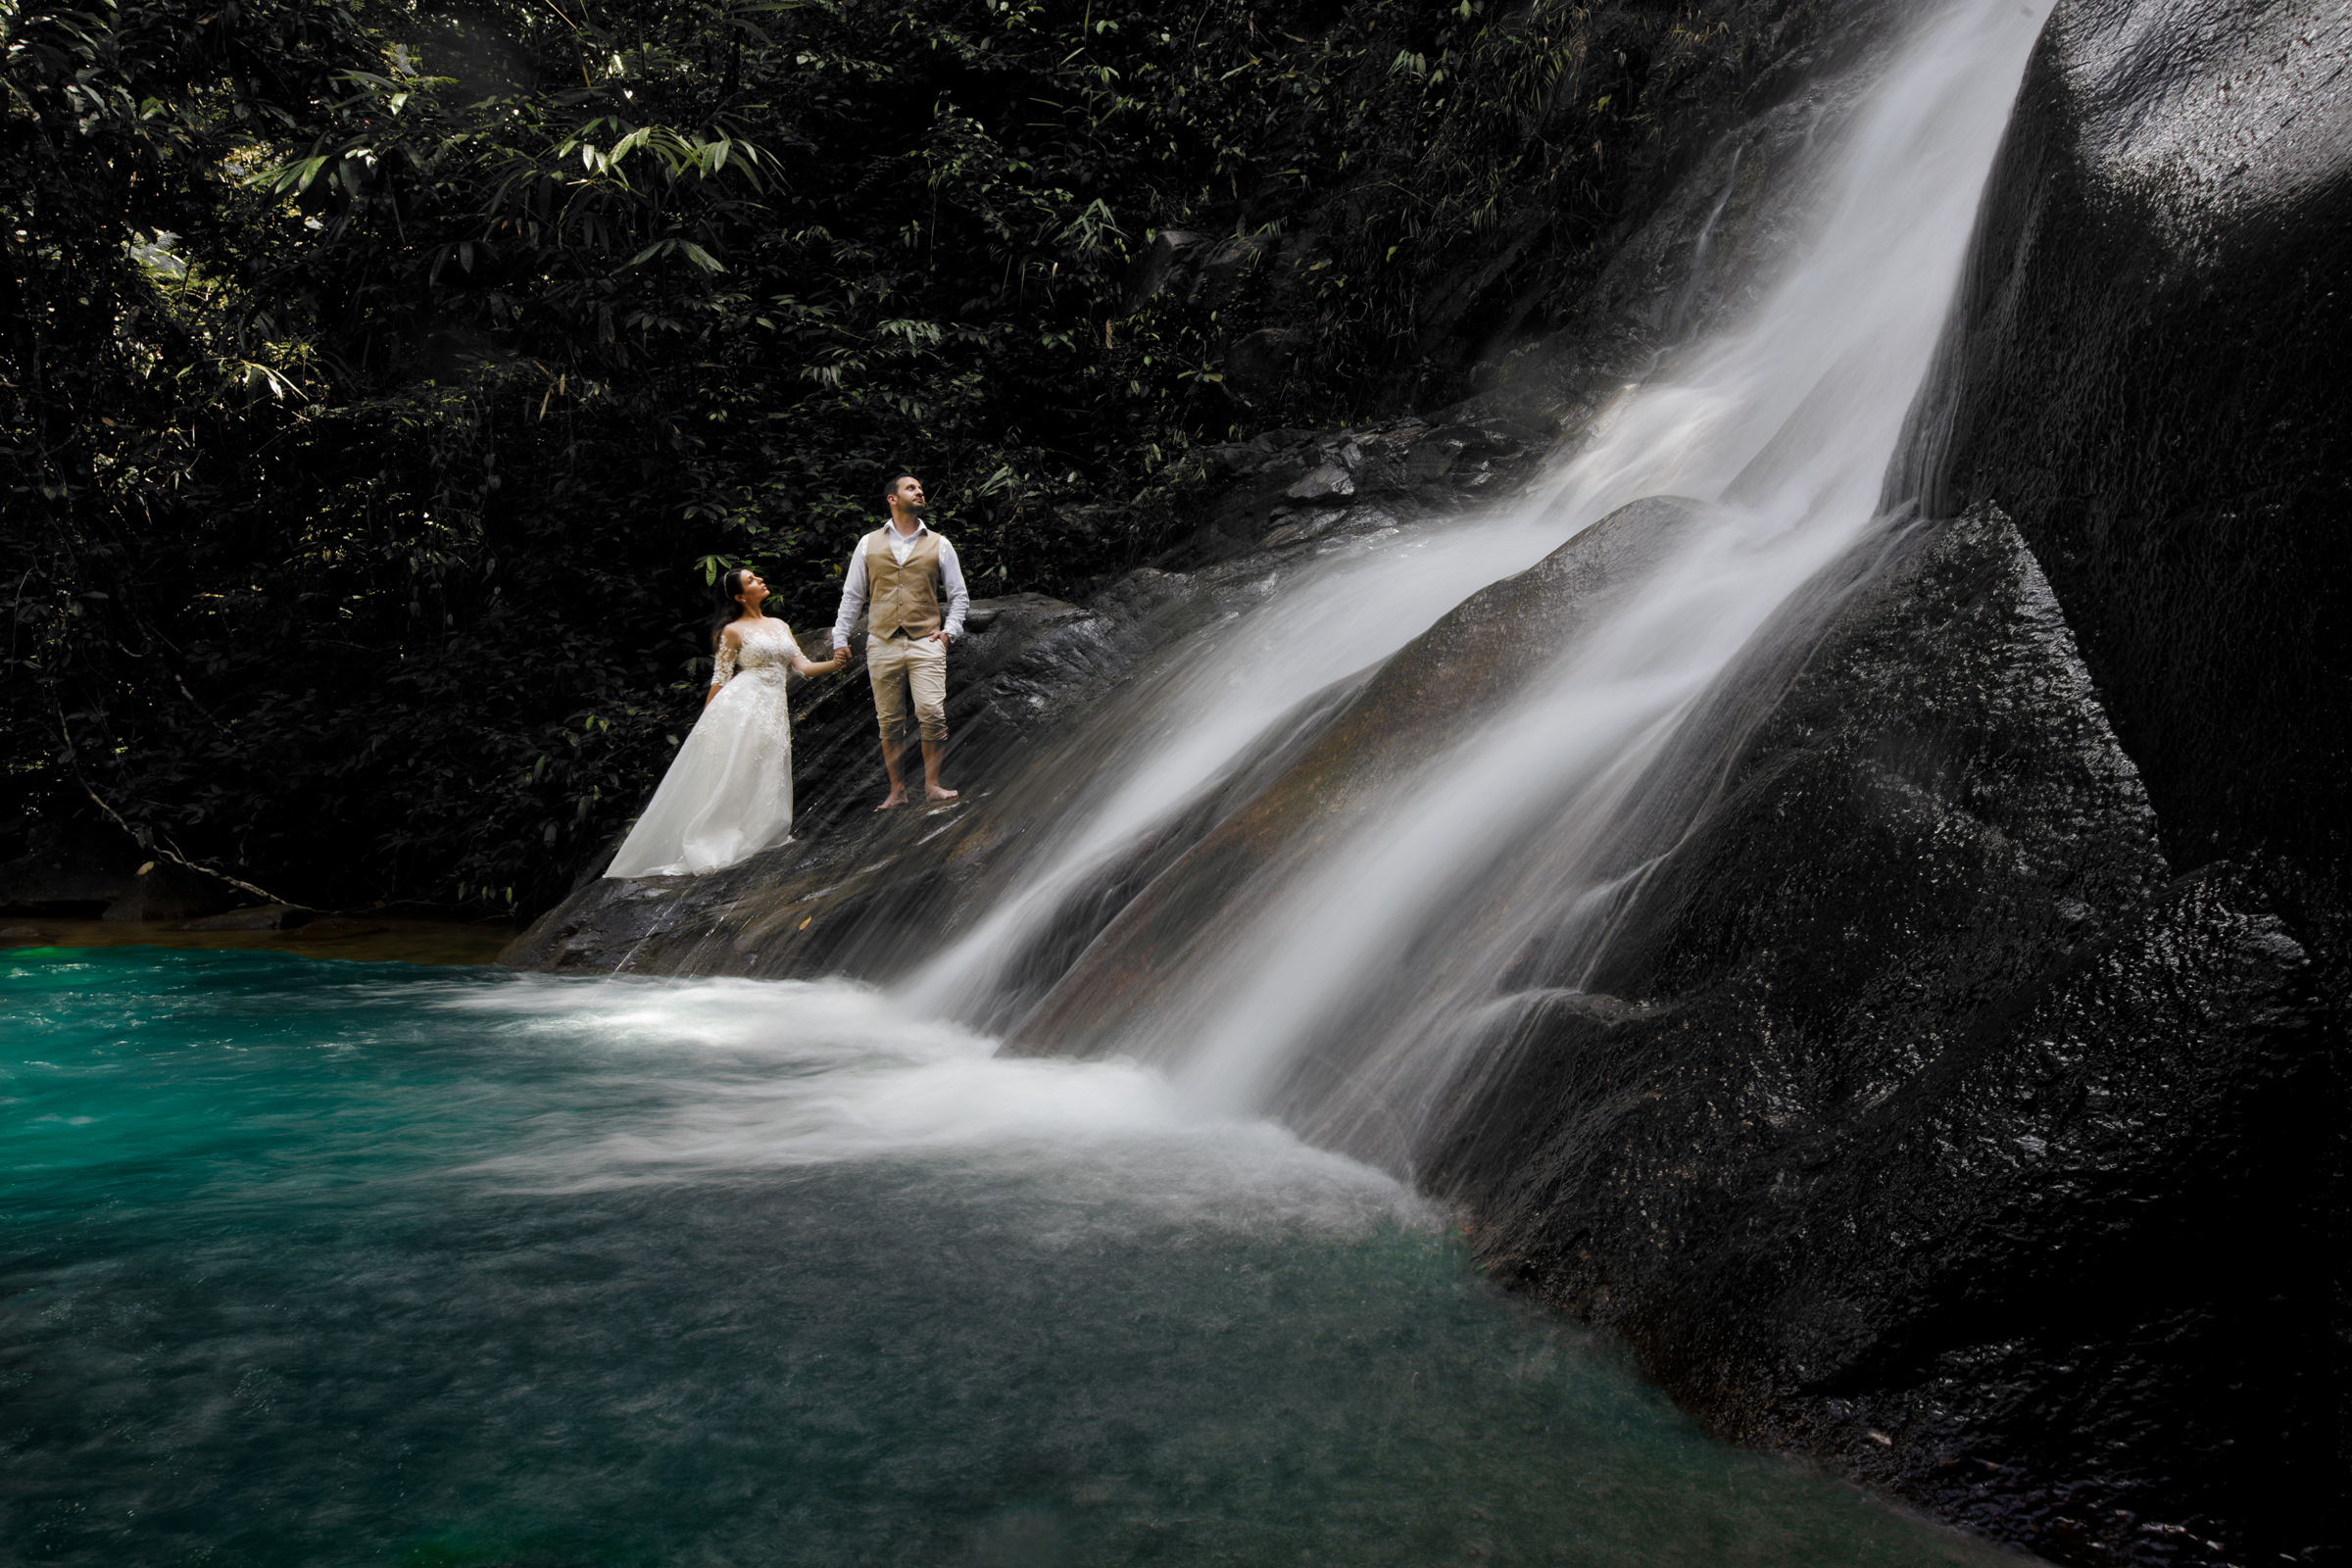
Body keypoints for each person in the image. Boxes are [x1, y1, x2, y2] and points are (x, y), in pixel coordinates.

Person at [605, 568, 846, 878]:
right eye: (750, 580)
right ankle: (719, 837)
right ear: (739, 596)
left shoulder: (780, 625)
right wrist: (707, 723)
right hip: (741, 704)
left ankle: (759, 832)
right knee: (739, 767)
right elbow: (720, 680)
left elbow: (803, 667)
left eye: (757, 577)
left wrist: (835, 664)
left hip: (772, 706)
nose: (759, 579)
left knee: (769, 763)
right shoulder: (732, 631)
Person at [829, 473, 969, 809]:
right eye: (911, 488)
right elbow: (852, 597)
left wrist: (949, 631)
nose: (920, 491)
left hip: (926, 641)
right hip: (882, 642)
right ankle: (897, 791)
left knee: (932, 712)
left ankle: (932, 785)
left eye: (921, 488)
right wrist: (839, 638)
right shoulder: (867, 543)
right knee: (889, 720)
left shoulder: (940, 543)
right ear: (892, 499)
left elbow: (959, 596)